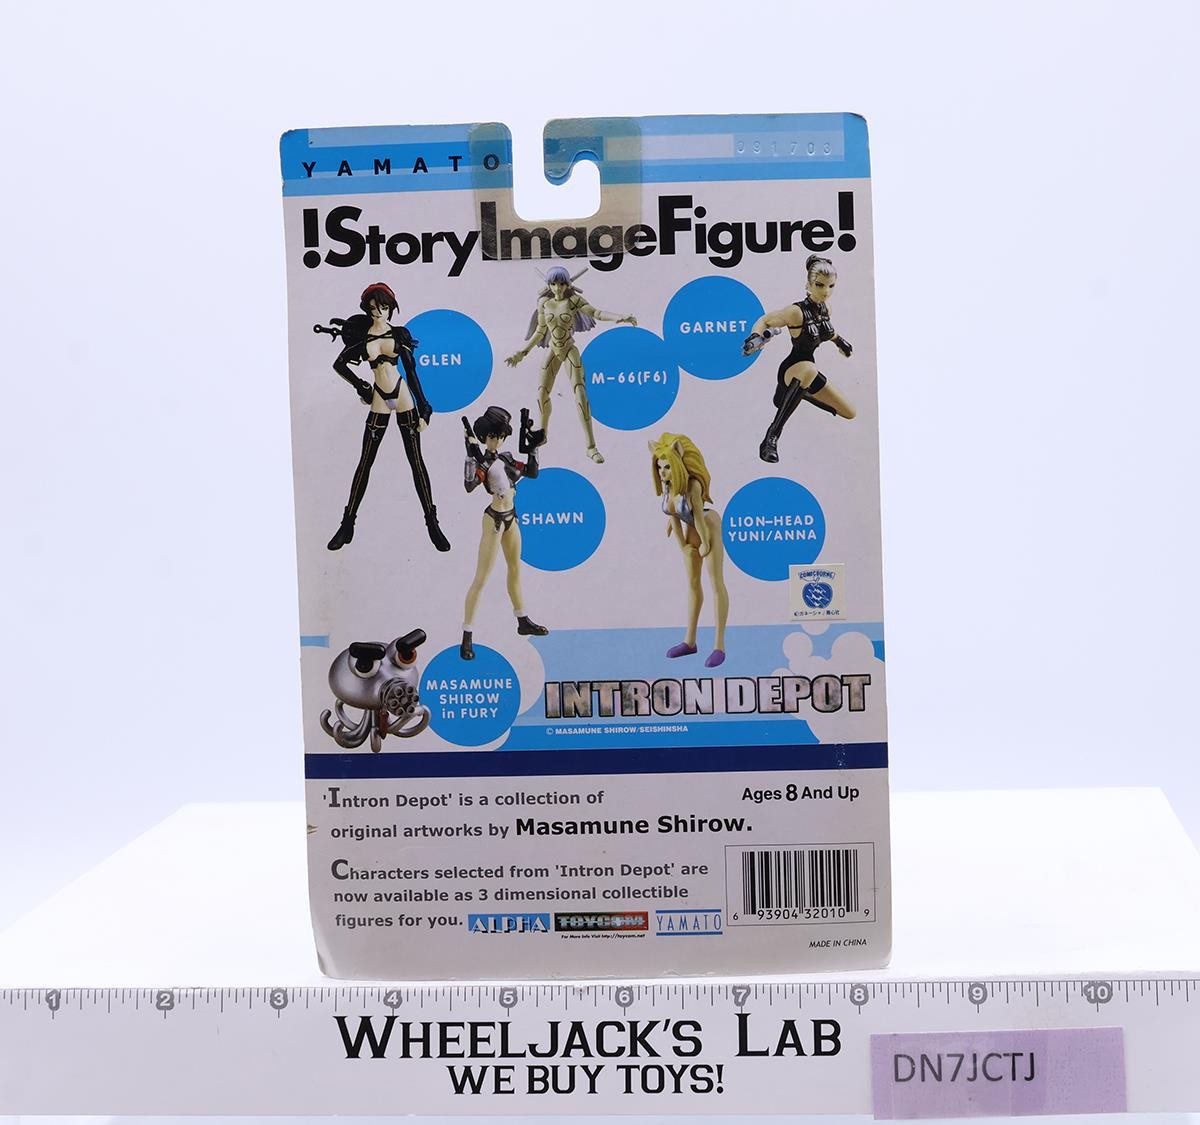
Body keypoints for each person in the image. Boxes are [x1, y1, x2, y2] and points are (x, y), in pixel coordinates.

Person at [316, 283, 450, 552]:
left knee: (416, 461)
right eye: (373, 307)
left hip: (402, 395)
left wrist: (424, 406)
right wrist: (360, 386)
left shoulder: (399, 335)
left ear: (391, 308)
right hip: (378, 395)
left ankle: (432, 523)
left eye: (384, 307)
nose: (378, 311)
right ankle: (347, 523)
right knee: (365, 462)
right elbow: (339, 364)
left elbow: (411, 372)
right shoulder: (362, 337)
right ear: (367, 308)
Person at [505, 266, 636, 465]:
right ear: (549, 285)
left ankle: (591, 447)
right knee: (541, 394)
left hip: (569, 349)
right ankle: (543, 434)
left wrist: (618, 317)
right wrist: (521, 354)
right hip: (553, 349)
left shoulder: (573, 300)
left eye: (561, 284)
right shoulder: (544, 302)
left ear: (567, 284)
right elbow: (540, 331)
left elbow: (596, 312)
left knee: (580, 394)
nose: (557, 288)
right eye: (553, 284)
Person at [742, 255, 857, 463]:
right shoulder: (796, 312)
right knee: (810, 370)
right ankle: (771, 437)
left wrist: (841, 342)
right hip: (791, 369)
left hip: (807, 374)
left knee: (849, 412)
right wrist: (755, 338)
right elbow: (765, 319)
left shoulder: (826, 309)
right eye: (819, 285)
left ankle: (798, 394)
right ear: (809, 284)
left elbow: (828, 332)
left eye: (831, 286)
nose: (826, 292)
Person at [460, 406, 548, 660]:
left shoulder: (506, 458)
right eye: (493, 436)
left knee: (515, 570)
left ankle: (522, 619)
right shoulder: (484, 463)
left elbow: (531, 472)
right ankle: (467, 636)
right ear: (484, 436)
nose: (497, 440)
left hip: (511, 517)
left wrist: (533, 447)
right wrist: (471, 456)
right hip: (494, 520)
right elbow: (469, 485)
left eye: (500, 436)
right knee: (482, 578)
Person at [649, 433, 729, 669]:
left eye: (667, 467)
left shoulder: (692, 486)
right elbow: (674, 517)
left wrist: (705, 544)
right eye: (659, 467)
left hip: (707, 526)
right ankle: (690, 641)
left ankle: (719, 646)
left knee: (716, 583)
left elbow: (699, 519)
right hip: (691, 527)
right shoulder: (668, 488)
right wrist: (683, 545)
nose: (662, 472)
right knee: (693, 584)